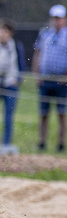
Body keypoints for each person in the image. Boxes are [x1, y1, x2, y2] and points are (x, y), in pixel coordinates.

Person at [33, 4, 67, 153]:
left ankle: (61, 143)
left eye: (59, 18)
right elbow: (38, 54)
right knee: (43, 114)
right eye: (54, 18)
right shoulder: (44, 34)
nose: (56, 21)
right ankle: (42, 142)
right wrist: (37, 74)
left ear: (65, 19)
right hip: (45, 80)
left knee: (62, 114)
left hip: (62, 81)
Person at [0, 19, 24, 155]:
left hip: (11, 85)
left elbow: (21, 65)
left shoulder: (16, 46)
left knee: (9, 117)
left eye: (5, 31)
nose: (2, 34)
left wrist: (18, 79)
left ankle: (6, 144)